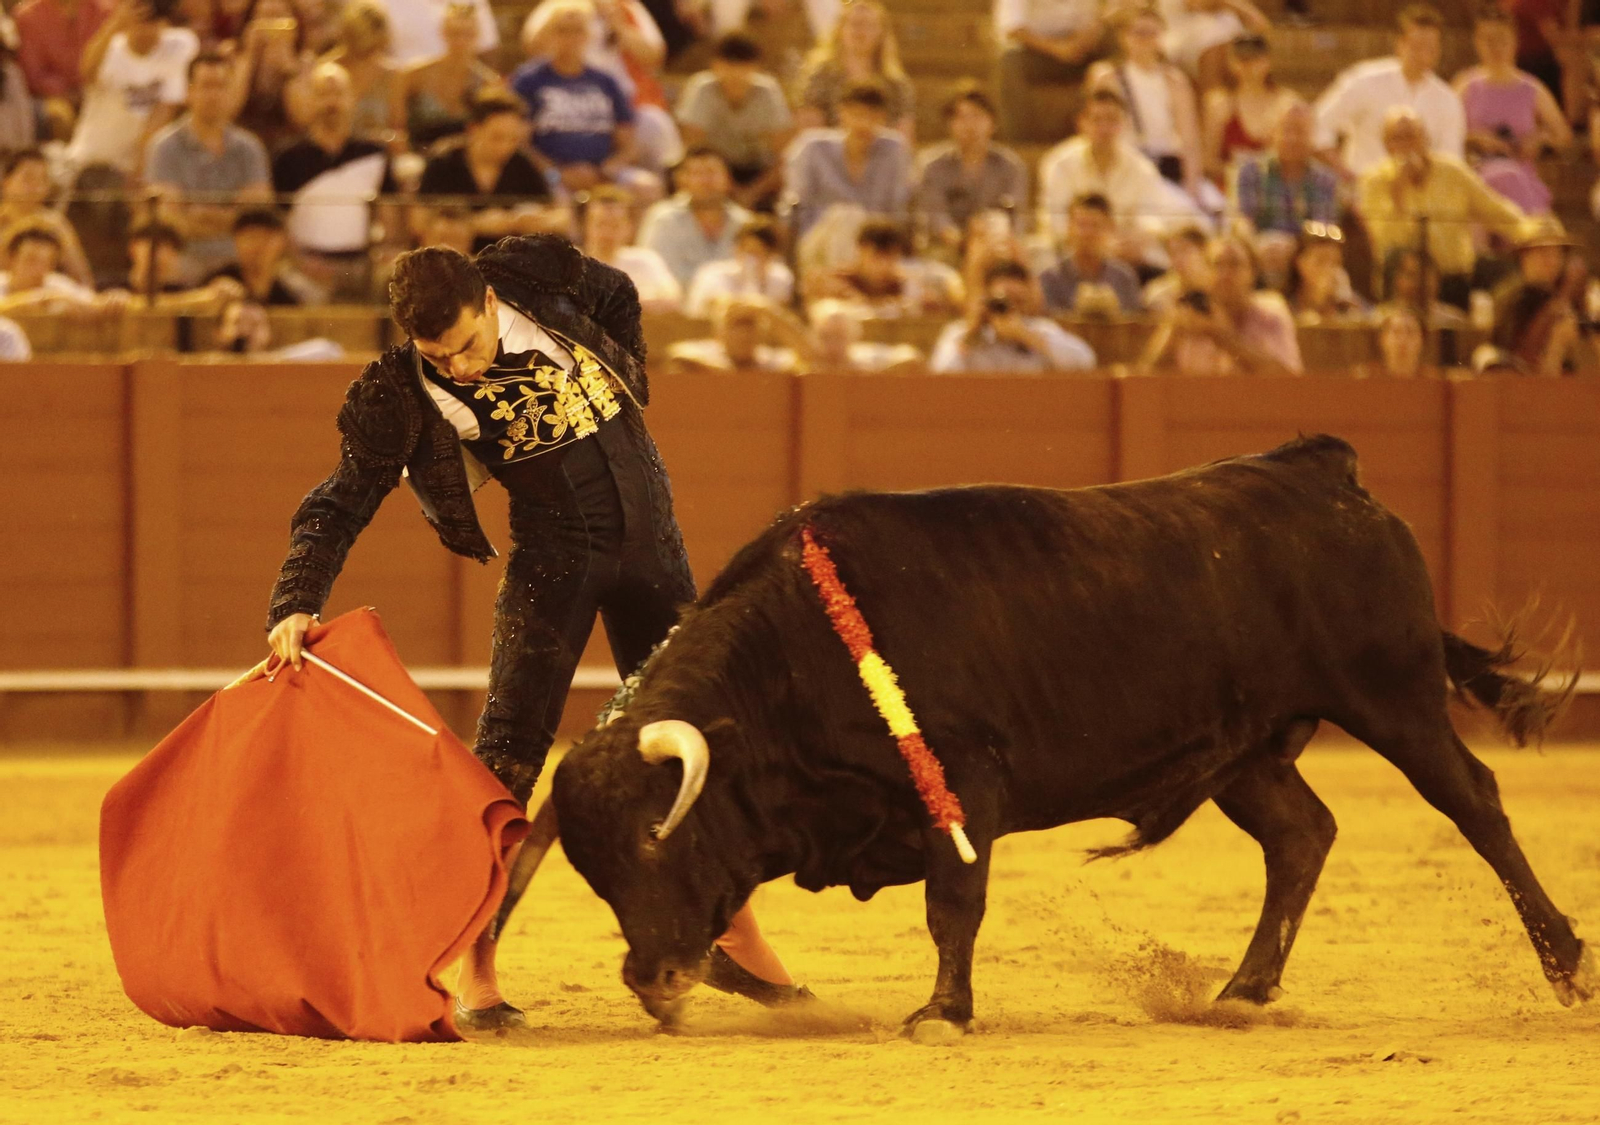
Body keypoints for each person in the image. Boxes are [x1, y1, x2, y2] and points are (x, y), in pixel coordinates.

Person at [251, 236, 809, 1030]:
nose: (462, 368)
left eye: (468, 345)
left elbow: (619, 290)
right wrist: (294, 599)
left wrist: (630, 371)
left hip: (656, 548)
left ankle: (729, 929)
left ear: (487, 302)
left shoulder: (532, 276)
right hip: (556, 564)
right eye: (439, 355)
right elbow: (340, 499)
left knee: (702, 740)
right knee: (509, 757)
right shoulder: (400, 392)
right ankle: (476, 959)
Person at [1356, 107, 1524, 308]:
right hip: (1403, 286)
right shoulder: (1373, 181)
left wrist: (1535, 233)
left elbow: (1496, 212)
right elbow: (1386, 243)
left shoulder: (1453, 172)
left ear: (1426, 139)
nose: (1405, 146)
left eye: (1411, 137)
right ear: (1386, 145)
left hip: (1453, 279)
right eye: (1397, 139)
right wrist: (1398, 191)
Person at [273, 61, 398, 299]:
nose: (331, 102)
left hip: (363, 267)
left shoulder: (374, 154)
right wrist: (303, 263)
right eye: (323, 94)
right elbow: (279, 221)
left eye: (338, 93)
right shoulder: (287, 158)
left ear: (352, 98)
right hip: (305, 270)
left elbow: (389, 216)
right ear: (310, 100)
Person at [145, 51, 273, 277]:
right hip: (184, 261)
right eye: (206, 86)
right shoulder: (164, 147)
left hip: (240, 262)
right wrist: (231, 218)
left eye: (221, 86)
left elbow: (257, 218)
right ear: (189, 92)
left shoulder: (250, 148)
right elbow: (169, 222)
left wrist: (196, 215)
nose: (214, 95)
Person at [1037, 87, 1205, 255]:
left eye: (1112, 120)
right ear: (1082, 123)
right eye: (1097, 120)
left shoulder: (1141, 168)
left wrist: (1133, 240)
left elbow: (1151, 222)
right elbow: (1054, 223)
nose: (1104, 127)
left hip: (1126, 256)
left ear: (1123, 123)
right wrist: (1095, 243)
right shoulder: (1059, 163)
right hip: (1071, 254)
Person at [1314, 4, 1466, 179]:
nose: (1423, 54)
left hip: (1422, 197)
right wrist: (1343, 172)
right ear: (1400, 44)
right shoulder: (1363, 80)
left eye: (1430, 47)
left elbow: (1451, 159)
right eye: (1417, 46)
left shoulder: (1448, 100)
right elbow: (1319, 126)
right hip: (1363, 190)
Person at [510, 0, 639, 193]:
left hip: (603, 174)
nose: (570, 38)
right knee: (556, 199)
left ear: (588, 35)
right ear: (549, 35)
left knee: (645, 187)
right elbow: (519, 143)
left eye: (577, 30)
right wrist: (556, 173)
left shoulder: (606, 81)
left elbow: (629, 144)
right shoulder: (529, 80)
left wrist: (607, 170)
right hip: (549, 176)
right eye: (562, 30)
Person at [1453, 8, 1572, 215]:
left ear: (1514, 42)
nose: (1495, 48)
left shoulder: (1533, 89)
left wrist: (1540, 138)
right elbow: (1445, 130)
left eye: (1502, 40)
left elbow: (1564, 136)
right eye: (1488, 40)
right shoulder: (1464, 85)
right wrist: (1474, 139)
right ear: (1477, 42)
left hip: (1520, 174)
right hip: (1475, 173)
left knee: (1512, 181)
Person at [65, 0, 198, 180]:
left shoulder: (180, 45)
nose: (148, 30)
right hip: (92, 159)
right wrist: (115, 22)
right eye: (142, 21)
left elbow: (166, 109)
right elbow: (86, 72)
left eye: (155, 22)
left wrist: (141, 168)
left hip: (137, 167)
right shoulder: (109, 49)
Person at [415, 93, 562, 255]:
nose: (506, 147)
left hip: (511, 264)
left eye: (513, 139)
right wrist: (475, 224)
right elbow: (418, 222)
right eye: (497, 138)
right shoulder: (444, 162)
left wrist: (526, 221)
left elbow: (560, 215)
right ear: (473, 129)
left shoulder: (521, 163)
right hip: (454, 260)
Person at [1139, 233, 1302, 375]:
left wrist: (1222, 337)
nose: (1225, 274)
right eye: (1217, 265)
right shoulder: (1193, 316)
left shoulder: (1271, 313)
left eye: (1234, 264)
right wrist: (1171, 331)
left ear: (1252, 272)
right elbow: (1144, 378)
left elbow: (1290, 378)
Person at [1086, 7, 1203, 194]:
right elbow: (1096, 126)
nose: (1145, 39)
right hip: (1125, 166)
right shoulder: (1106, 77)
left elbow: (1190, 139)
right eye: (1138, 33)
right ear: (1123, 37)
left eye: (1152, 33)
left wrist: (1192, 186)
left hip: (1166, 165)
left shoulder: (1175, 81)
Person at [674, 31, 794, 208]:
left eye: (743, 67)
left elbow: (783, 154)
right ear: (715, 65)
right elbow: (693, 147)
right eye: (729, 66)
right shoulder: (702, 89)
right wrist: (730, 189)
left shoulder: (768, 92)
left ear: (756, 67)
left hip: (757, 174)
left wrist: (752, 193)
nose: (736, 75)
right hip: (711, 170)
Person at [783, 80, 912, 238]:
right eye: (857, 115)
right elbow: (796, 202)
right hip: (818, 240)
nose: (864, 123)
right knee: (846, 217)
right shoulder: (812, 147)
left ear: (883, 118)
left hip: (873, 242)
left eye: (872, 117)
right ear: (841, 113)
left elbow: (897, 207)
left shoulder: (894, 150)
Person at [913, 83, 1029, 255]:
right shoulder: (932, 166)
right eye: (961, 117)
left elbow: (1017, 215)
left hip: (998, 245)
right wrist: (964, 241)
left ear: (993, 123)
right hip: (948, 248)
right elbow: (936, 218)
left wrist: (993, 239)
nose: (969, 125)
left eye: (977, 116)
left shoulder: (1010, 166)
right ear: (949, 124)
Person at [930, 258, 1096, 373]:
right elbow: (941, 372)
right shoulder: (960, 332)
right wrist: (970, 334)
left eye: (1016, 301)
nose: (1009, 308)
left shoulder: (1040, 330)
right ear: (987, 298)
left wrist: (1026, 336)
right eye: (1003, 301)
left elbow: (1085, 362)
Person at [289, 0, 402, 146]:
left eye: (371, 49)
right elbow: (306, 122)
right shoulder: (321, 71)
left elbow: (397, 129)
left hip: (374, 154)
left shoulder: (393, 75)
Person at [994, 0, 1109, 143]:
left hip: (1078, 48)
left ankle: (1100, 132)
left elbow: (1094, 22)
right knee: (1010, 63)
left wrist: (1077, 45)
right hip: (1035, 51)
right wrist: (1058, 49)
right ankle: (1020, 141)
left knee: (1108, 61)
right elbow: (1013, 29)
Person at [794, 0, 914, 137]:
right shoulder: (820, 76)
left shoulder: (896, 85)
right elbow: (810, 134)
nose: (861, 30)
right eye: (855, 23)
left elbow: (903, 140)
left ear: (882, 32)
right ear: (839, 29)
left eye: (869, 25)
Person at [636, 145, 751, 288]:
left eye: (711, 172)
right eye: (697, 173)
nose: (705, 181)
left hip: (732, 306)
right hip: (675, 306)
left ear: (728, 178)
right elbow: (651, 275)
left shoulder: (745, 224)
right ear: (682, 180)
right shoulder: (663, 219)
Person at [803, 217, 963, 318]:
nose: (883, 265)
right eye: (877, 258)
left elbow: (937, 307)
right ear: (860, 251)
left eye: (891, 258)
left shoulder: (904, 283)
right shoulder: (835, 278)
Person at [396, 0, 503, 148]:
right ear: (443, 33)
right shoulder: (413, 75)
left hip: (464, 162)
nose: (460, 41)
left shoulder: (488, 83)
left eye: (468, 34)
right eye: (455, 34)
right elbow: (397, 128)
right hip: (419, 157)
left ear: (478, 36)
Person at [1228, 101, 1338, 237]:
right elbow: (1242, 220)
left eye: (1300, 131)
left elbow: (1324, 227)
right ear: (1273, 133)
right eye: (1286, 130)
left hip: (1305, 250)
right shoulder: (1250, 172)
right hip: (1261, 248)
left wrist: (1294, 245)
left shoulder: (1325, 180)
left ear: (1312, 136)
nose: (1292, 138)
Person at [1200, 33, 1299, 184]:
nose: (1248, 65)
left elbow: (1297, 157)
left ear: (1267, 61)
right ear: (1231, 63)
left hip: (1273, 187)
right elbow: (1208, 160)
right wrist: (1240, 172)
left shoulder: (1287, 102)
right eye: (1242, 59)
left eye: (1255, 59)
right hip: (1230, 186)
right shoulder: (1220, 103)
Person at [224, 0, 314, 155]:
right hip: (238, 146)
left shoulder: (304, 61)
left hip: (289, 148)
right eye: (264, 17)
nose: (271, 26)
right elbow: (229, 110)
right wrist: (249, 58)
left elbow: (302, 117)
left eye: (279, 18)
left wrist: (287, 64)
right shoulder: (232, 55)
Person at [0, 148, 93, 287]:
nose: (36, 187)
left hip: (43, 299)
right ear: (6, 182)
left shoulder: (55, 224)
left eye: (43, 179)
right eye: (28, 179)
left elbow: (82, 280)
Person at [581, 185, 682, 312]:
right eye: (600, 224)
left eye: (615, 225)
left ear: (629, 228)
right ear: (585, 226)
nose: (607, 232)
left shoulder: (645, 261)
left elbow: (673, 299)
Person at [1039, 191, 1143, 315]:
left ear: (1109, 229)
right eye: (1081, 225)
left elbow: (1134, 325)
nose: (1088, 234)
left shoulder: (1124, 278)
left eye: (1095, 225)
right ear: (1069, 228)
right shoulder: (1050, 279)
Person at [666, 293, 812, 373]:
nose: (743, 334)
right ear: (719, 333)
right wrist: (736, 374)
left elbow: (809, 356)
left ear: (761, 333)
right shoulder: (706, 353)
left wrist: (768, 312)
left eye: (750, 326)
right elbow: (677, 355)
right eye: (736, 326)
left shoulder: (769, 359)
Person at [683, 215, 793, 318]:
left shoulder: (781, 278)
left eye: (756, 253)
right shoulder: (711, 274)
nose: (749, 259)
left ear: (772, 255)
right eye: (744, 250)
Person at [205, 207, 316, 305]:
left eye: (267, 239)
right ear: (236, 241)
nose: (258, 247)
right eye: (252, 238)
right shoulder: (220, 278)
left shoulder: (291, 288)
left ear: (283, 242)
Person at [14, 0, 112, 107]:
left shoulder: (104, 10)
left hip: (98, 93)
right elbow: (34, 75)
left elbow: (109, 60)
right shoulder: (28, 16)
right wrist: (67, 93)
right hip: (55, 98)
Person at [1158, 0, 1270, 89]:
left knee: (1245, 51)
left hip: (1229, 52)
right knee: (1215, 44)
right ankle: (1213, 101)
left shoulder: (1229, 11)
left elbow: (1261, 25)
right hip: (1182, 41)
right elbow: (1198, 4)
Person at [0, 224, 105, 310]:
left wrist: (114, 300)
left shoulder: (56, 285)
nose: (39, 269)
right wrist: (33, 300)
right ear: (11, 259)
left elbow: (96, 303)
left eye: (47, 263)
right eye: (31, 260)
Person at [808, 297, 923, 371]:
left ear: (853, 336)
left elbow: (911, 356)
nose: (832, 344)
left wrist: (871, 373)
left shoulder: (864, 357)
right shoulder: (801, 363)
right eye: (825, 337)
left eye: (839, 337)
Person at [1283, 222, 1364, 324]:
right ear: (1299, 262)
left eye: (1335, 262)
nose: (1328, 268)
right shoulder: (1283, 307)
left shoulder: (1350, 307)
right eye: (1321, 260)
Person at [1359, 304, 1431, 378]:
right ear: (1382, 339)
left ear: (1422, 340)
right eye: (1396, 332)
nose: (1403, 339)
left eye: (1410, 332)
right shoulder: (1364, 378)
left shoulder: (1434, 382)